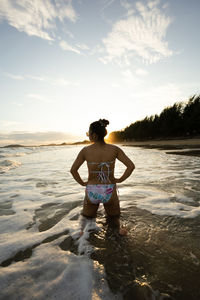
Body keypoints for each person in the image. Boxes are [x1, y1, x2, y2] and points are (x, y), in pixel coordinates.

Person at [70, 119, 135, 236]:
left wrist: (82, 183)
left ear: (94, 135)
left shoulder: (85, 151)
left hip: (92, 191)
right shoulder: (114, 149)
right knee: (114, 221)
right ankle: (116, 242)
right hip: (109, 190)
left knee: (86, 223)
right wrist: (120, 179)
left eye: (88, 133)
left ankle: (83, 244)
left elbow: (73, 170)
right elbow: (131, 166)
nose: (88, 135)